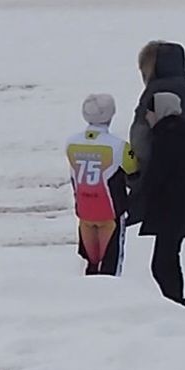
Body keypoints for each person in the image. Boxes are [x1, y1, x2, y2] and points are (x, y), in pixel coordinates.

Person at [138, 92, 185, 306]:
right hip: (182, 207)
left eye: (149, 112)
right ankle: (175, 302)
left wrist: (136, 184)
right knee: (168, 260)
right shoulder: (184, 133)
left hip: (168, 210)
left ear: (159, 111)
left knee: (162, 264)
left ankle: (176, 304)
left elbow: (154, 177)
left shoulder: (165, 138)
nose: (147, 117)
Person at [126, 39, 185, 220]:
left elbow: (140, 133)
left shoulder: (155, 90)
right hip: (181, 160)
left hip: (154, 160)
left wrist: (134, 173)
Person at [68, 93, 131, 276]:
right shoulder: (119, 146)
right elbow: (134, 168)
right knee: (111, 265)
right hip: (110, 212)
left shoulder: (71, 143)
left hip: (84, 210)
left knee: (88, 263)